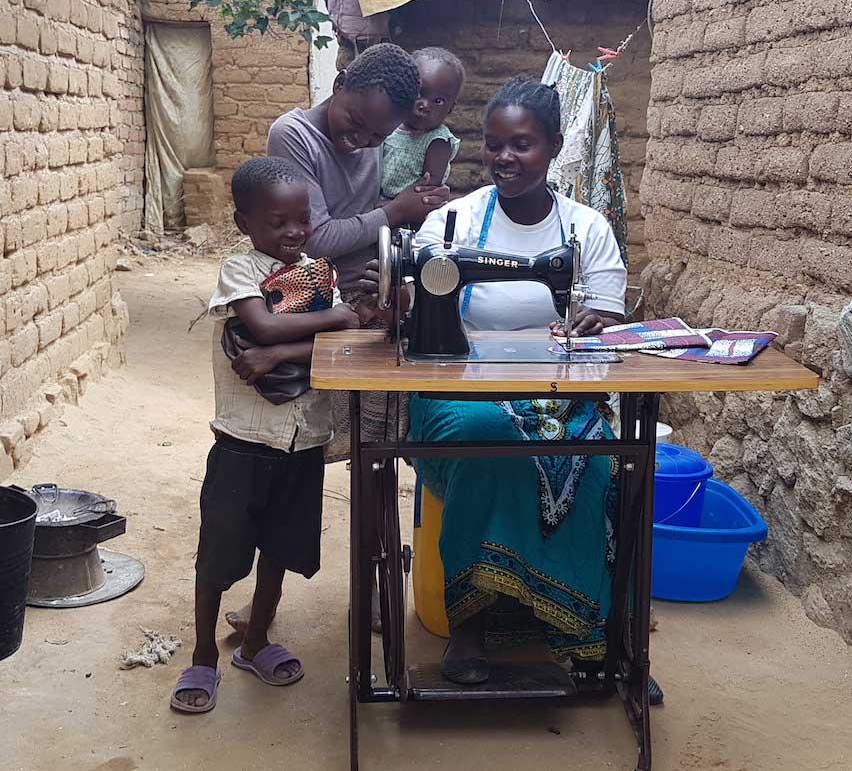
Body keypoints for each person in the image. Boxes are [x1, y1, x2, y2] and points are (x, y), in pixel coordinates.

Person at [398, 77, 627, 683]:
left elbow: (608, 322)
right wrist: (395, 299)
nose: (504, 157)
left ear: (553, 146)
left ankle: (588, 629)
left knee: (602, 458)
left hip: (560, 389)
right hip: (458, 389)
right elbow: (410, 302)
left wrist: (596, 319)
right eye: (494, 144)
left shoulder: (586, 230)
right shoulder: (450, 225)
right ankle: (469, 627)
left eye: (521, 144)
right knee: (484, 435)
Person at [223, 43, 451, 637]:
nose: (360, 143)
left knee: (374, 471)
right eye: (355, 124)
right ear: (341, 79)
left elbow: (359, 234)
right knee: (282, 475)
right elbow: (316, 239)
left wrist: (394, 229)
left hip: (352, 313)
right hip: (305, 307)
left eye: (377, 137)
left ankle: (378, 589)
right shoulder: (292, 135)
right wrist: (393, 213)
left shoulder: (371, 136)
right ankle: (261, 608)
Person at [171, 157, 360, 713]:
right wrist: (330, 321)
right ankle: (203, 655)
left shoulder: (318, 273)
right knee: (219, 558)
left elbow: (333, 339)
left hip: (303, 443)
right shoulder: (240, 271)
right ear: (245, 222)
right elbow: (264, 324)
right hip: (242, 445)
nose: (294, 232)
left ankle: (255, 641)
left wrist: (282, 351)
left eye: (302, 219)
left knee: (279, 549)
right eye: (278, 223)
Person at [381, 47, 464, 201]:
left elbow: (427, 187)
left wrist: (392, 207)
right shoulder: (388, 127)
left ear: (450, 108)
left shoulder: (438, 140)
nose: (425, 105)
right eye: (419, 93)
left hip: (415, 211)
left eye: (438, 101)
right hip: (379, 203)